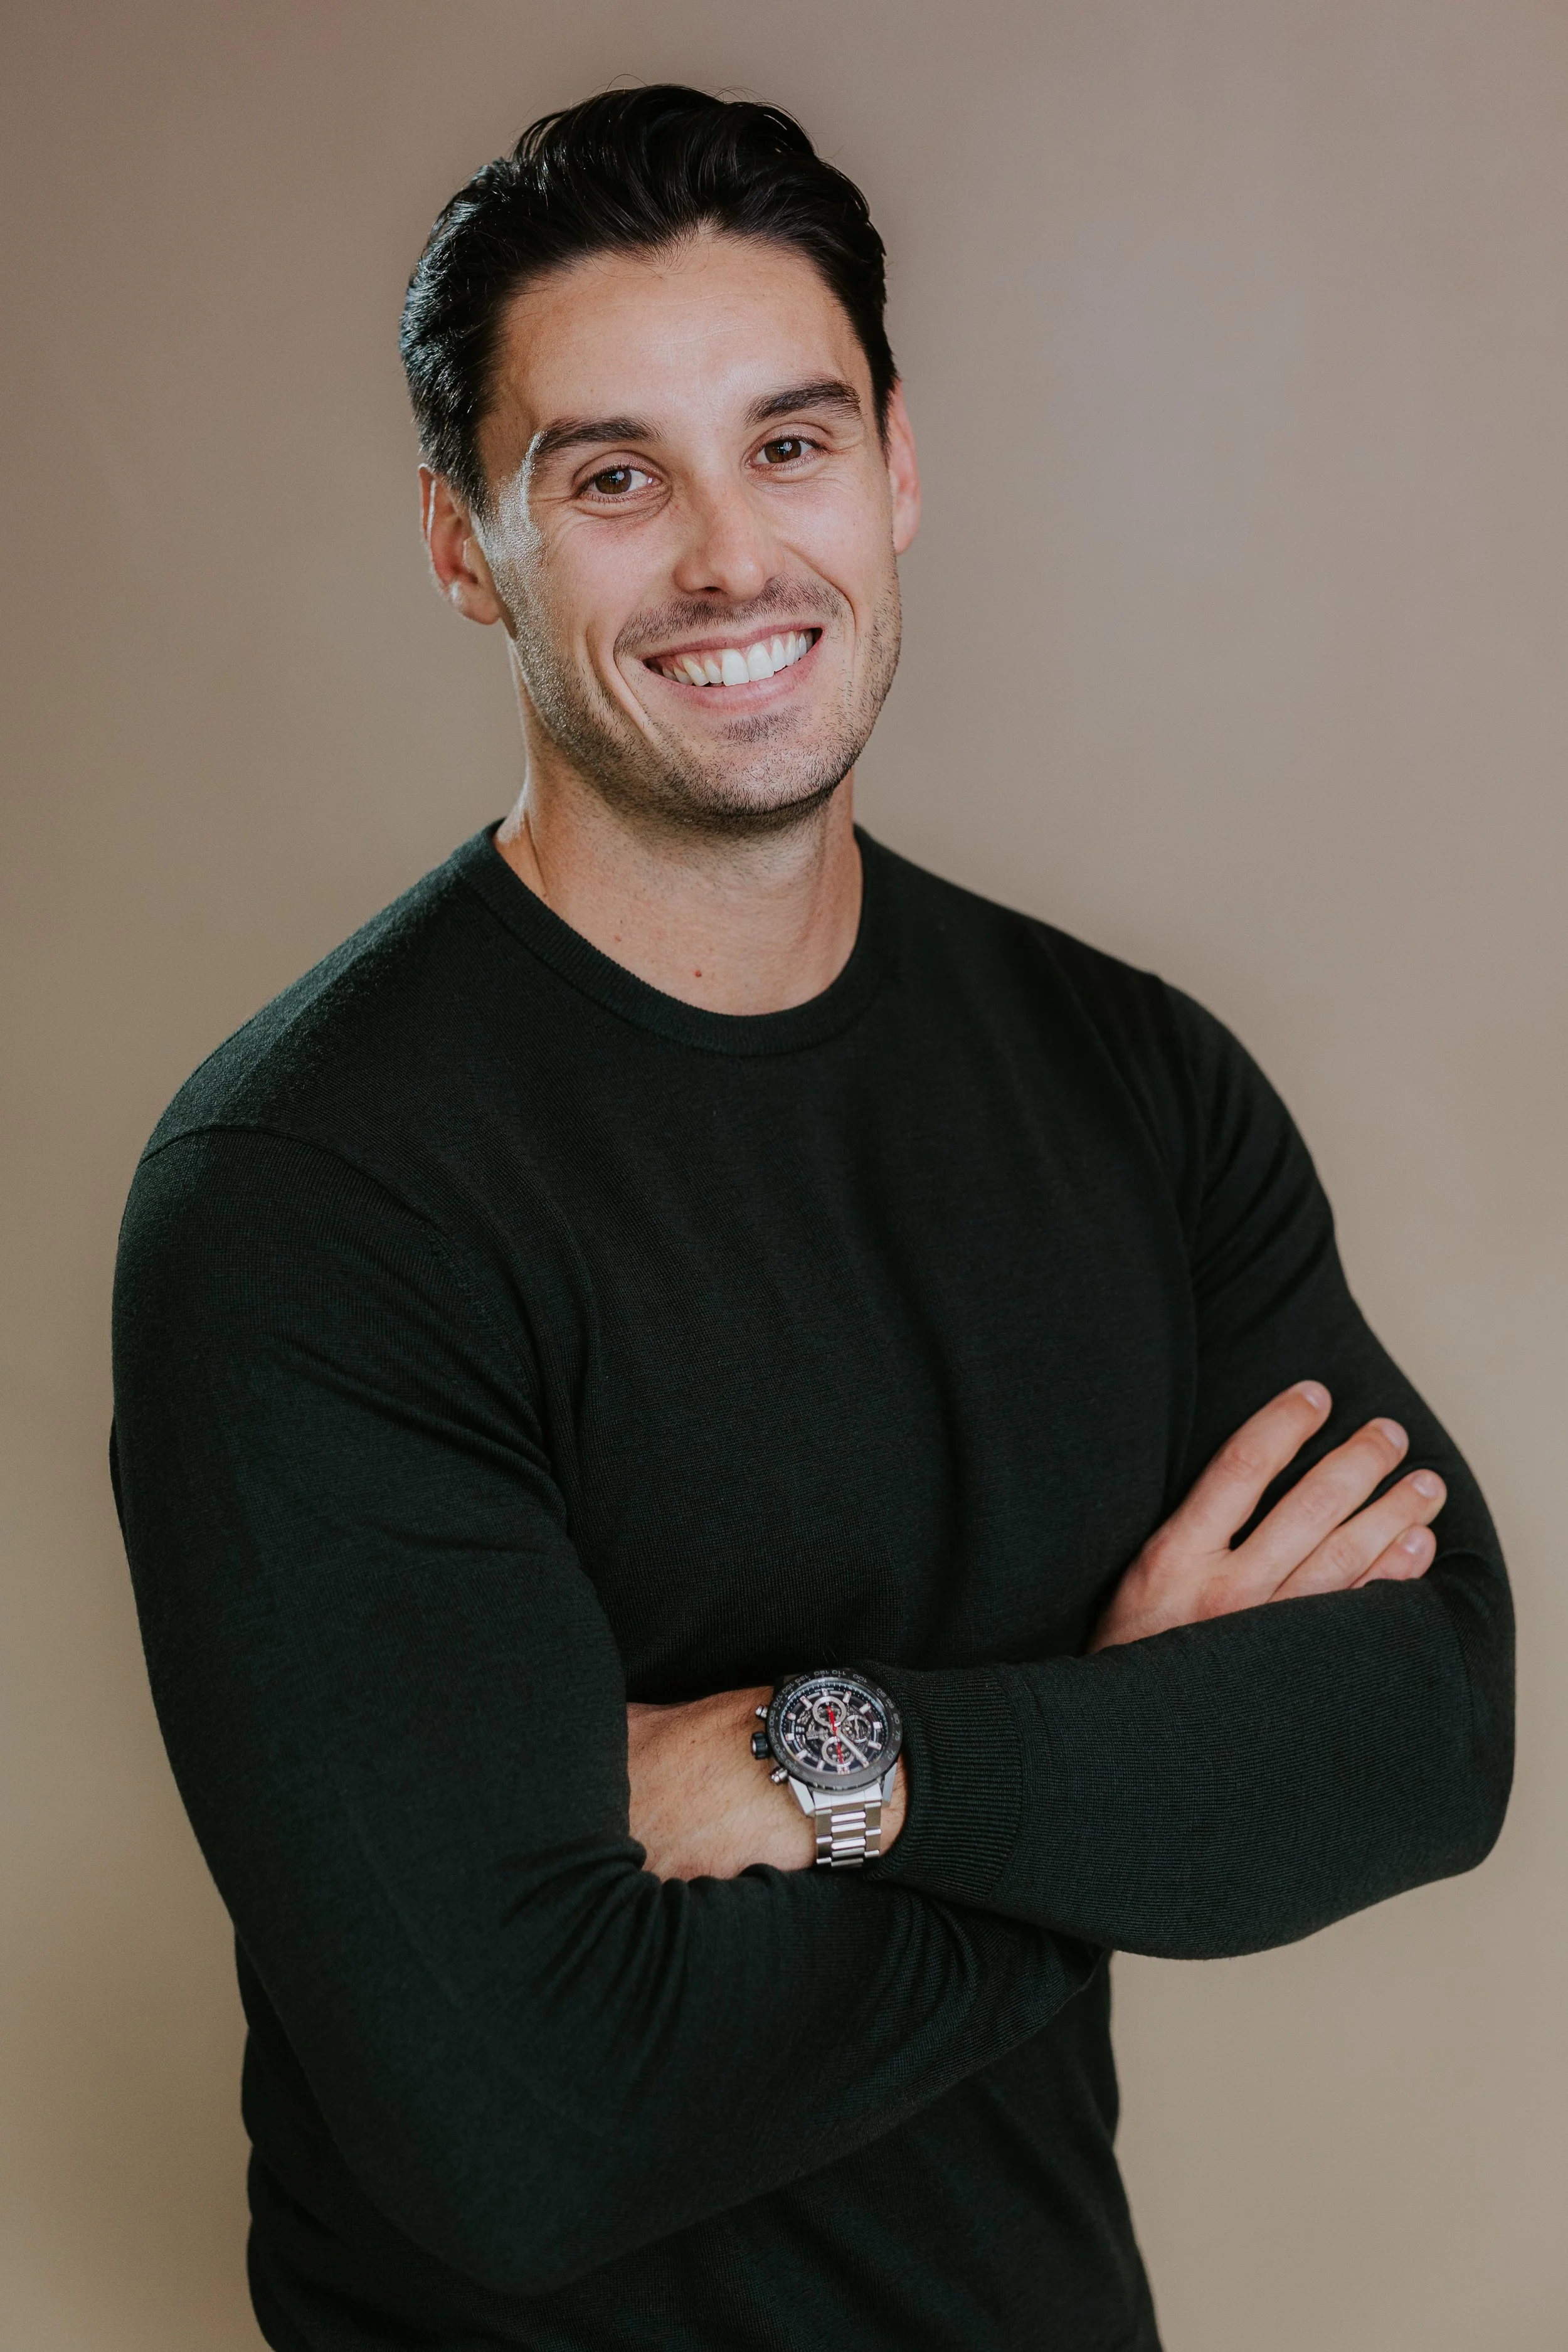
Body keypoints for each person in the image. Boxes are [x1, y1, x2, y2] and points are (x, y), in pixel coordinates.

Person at [110, 84, 1513, 2352]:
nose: (729, 562)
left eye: (789, 442)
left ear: (899, 468)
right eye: (610, 475)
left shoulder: (1129, 1075)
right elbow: (518, 2124)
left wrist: (818, 1768)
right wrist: (1127, 1767)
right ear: (470, 545)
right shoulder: (313, 1200)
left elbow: (1429, 1734)